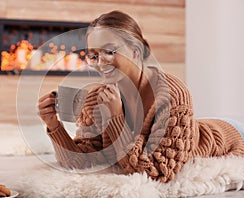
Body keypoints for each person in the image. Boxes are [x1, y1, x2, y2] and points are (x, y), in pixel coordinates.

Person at [38, 10, 244, 183]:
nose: (100, 62)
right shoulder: (97, 98)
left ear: (136, 51)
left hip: (230, 135)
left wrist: (116, 117)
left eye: (109, 51)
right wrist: (54, 126)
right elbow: (81, 162)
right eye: (93, 55)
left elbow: (158, 171)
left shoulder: (172, 94)